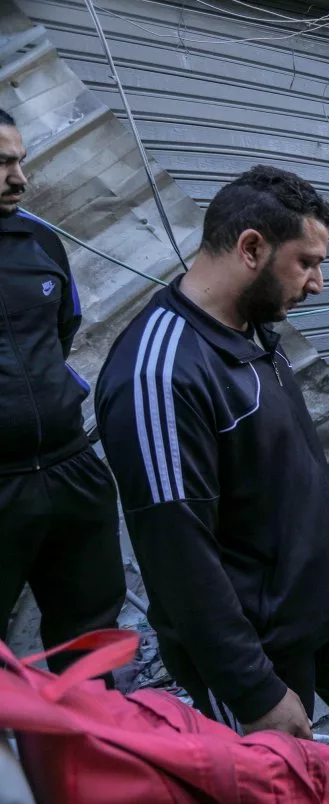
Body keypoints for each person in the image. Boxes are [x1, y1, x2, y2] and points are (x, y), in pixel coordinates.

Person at [96, 166, 329, 804]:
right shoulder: (160, 373)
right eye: (307, 263)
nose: (318, 283)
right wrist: (256, 691)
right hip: (259, 646)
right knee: (283, 787)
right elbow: (179, 561)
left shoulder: (254, 327)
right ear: (252, 247)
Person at [0, 108, 125, 673]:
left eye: (21, 161)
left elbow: (62, 333)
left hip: (70, 471)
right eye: (3, 163)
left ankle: (93, 727)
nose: (20, 179)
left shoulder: (39, 242)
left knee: (90, 643)